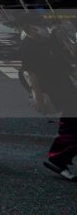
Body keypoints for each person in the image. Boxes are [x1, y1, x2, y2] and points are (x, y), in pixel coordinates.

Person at [18, 16, 77, 181]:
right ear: (29, 28)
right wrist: (38, 98)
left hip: (67, 84)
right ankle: (58, 158)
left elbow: (65, 61)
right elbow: (32, 73)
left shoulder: (49, 40)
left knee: (71, 125)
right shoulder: (27, 46)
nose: (45, 29)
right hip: (54, 89)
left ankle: (58, 158)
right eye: (40, 26)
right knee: (71, 125)